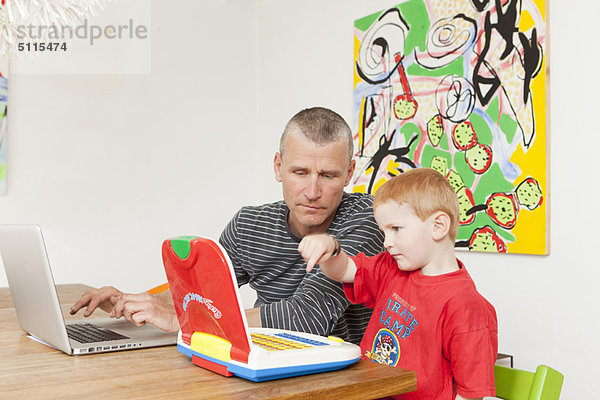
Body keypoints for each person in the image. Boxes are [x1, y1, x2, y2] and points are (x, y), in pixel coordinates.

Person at [70, 107, 384, 344]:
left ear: (349, 172)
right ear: (278, 167)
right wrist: (136, 301)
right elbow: (199, 291)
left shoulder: (368, 218)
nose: (313, 192)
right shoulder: (250, 225)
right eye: (300, 172)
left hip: (342, 382)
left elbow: (306, 317)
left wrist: (185, 319)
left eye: (328, 175)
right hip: (264, 364)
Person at [298, 168, 498, 400]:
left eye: (395, 229)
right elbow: (344, 270)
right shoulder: (392, 268)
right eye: (384, 231)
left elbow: (470, 393)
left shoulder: (466, 306)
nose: (386, 242)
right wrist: (330, 247)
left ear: (438, 226)